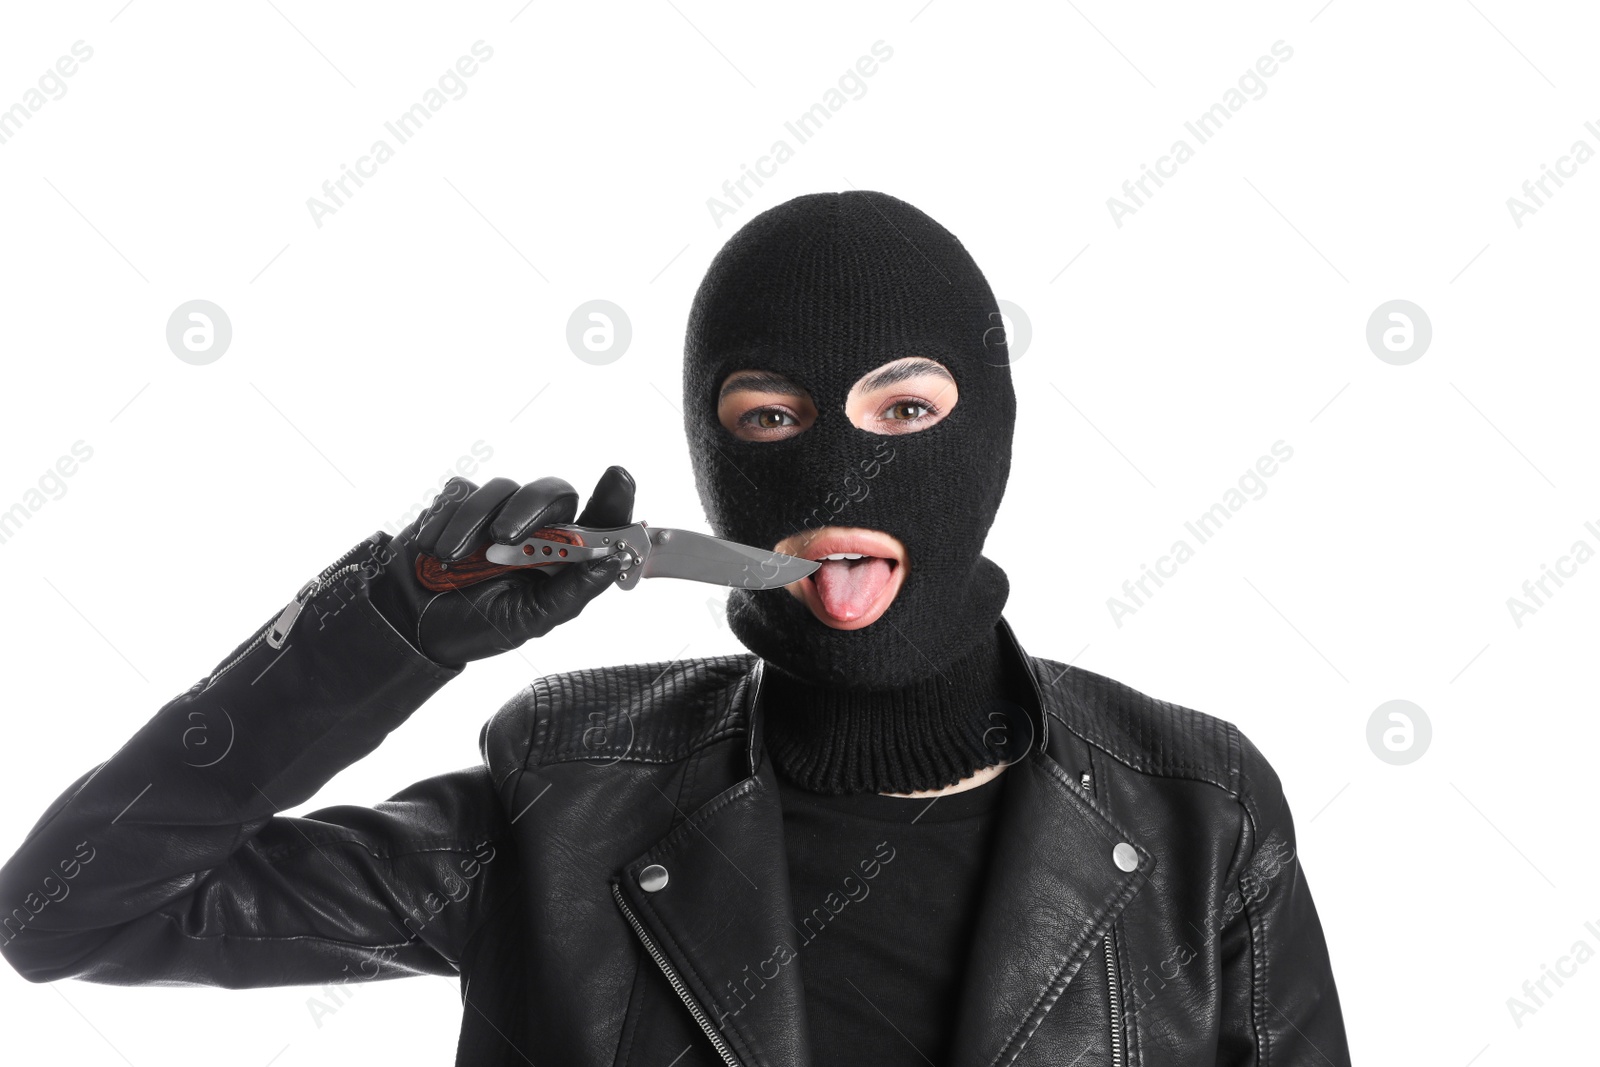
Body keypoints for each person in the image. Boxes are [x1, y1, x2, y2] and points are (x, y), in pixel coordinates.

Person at [0, 191, 1349, 1066]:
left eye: (905, 410)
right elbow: (69, 913)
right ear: (711, 457)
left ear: (988, 434)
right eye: (770, 418)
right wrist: (386, 628)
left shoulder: (1199, 810)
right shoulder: (565, 803)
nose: (839, 472)